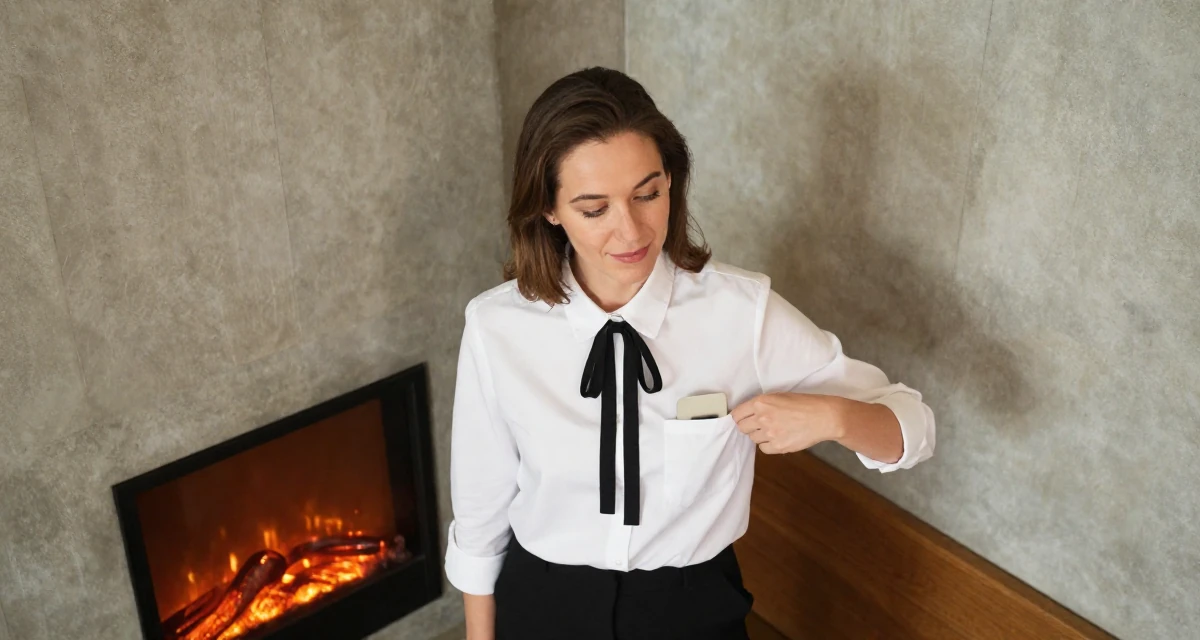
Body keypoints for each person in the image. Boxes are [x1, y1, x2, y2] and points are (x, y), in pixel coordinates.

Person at [444, 67, 935, 640]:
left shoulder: (742, 312)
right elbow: (480, 518)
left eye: (647, 194)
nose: (630, 231)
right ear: (549, 210)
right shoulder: (496, 325)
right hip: (542, 604)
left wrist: (832, 417)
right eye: (593, 208)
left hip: (690, 610)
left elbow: (913, 427)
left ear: (672, 181)